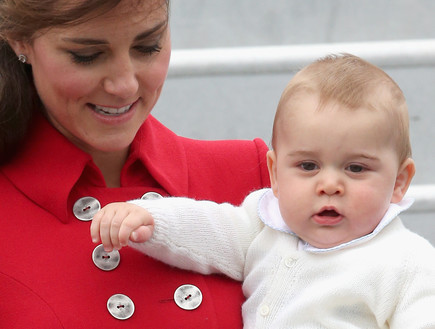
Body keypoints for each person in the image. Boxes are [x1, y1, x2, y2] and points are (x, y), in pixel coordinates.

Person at [91, 54, 435, 328]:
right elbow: (210, 229)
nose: (329, 185)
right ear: (274, 172)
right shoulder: (265, 224)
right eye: (308, 166)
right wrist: (150, 218)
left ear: (399, 182)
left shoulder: (407, 260)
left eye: (356, 168)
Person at [0, 1, 271, 328]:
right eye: (87, 55)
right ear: (19, 41)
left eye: (148, 47)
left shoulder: (252, 179)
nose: (125, 85)